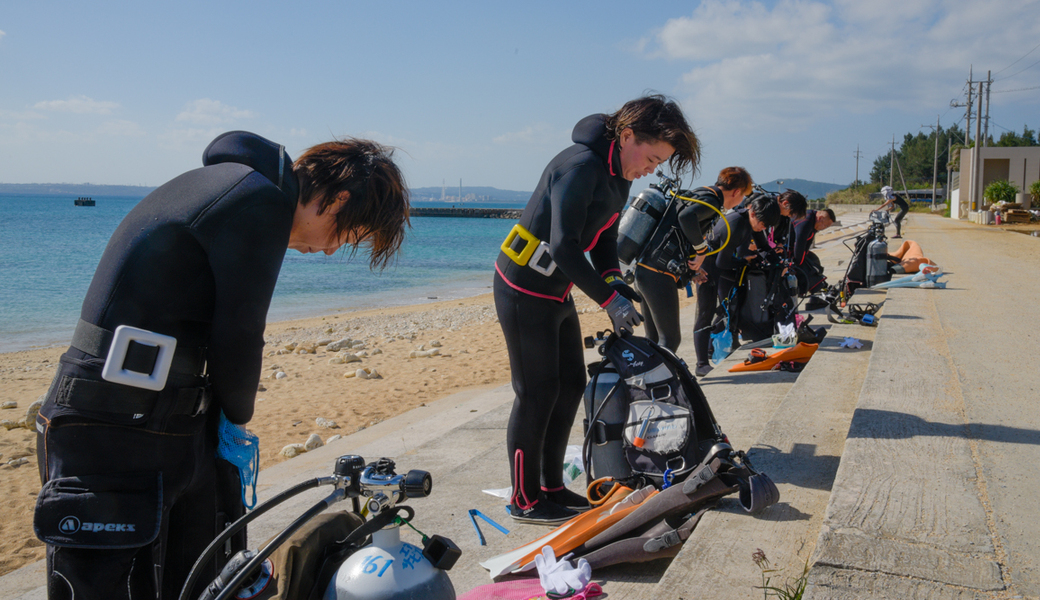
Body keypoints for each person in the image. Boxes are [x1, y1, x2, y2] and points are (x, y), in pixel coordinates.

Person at [33, 131, 410, 599]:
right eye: (347, 235)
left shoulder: (240, 189)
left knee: (207, 574)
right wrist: (239, 421)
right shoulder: (256, 201)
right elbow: (240, 335)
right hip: (109, 418)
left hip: (163, 410)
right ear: (337, 200)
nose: (331, 250)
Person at [494, 95, 699, 524]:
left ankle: (550, 487)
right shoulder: (580, 167)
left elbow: (604, 238)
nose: (653, 169)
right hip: (522, 287)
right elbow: (563, 244)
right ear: (627, 137)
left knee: (569, 386)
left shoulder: (618, 175)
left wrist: (613, 281)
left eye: (661, 162)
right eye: (653, 157)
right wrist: (608, 301)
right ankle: (523, 498)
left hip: (556, 290)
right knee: (534, 394)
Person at [633, 167, 751, 351]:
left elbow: (678, 238)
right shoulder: (711, 201)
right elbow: (686, 217)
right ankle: (663, 379)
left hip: (645, 271)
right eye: (743, 195)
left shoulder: (701, 193)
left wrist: (691, 272)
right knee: (670, 340)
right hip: (657, 275)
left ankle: (652, 379)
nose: (741, 200)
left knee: (654, 338)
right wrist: (702, 250)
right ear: (736, 192)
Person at [693, 194, 780, 376]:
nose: (763, 228)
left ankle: (713, 346)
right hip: (708, 269)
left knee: (728, 309)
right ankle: (701, 364)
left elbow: (764, 247)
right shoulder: (735, 224)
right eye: (763, 224)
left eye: (767, 226)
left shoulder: (754, 221)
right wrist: (746, 262)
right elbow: (721, 263)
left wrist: (779, 262)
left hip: (725, 267)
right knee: (705, 314)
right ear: (753, 213)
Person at [788, 206, 836, 296]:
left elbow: (807, 244)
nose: (824, 228)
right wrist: (799, 263)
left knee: (813, 259)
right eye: (825, 225)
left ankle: (817, 284)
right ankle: (808, 286)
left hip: (795, 248)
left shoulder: (814, 219)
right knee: (805, 265)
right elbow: (799, 246)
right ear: (820, 218)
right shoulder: (806, 221)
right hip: (788, 249)